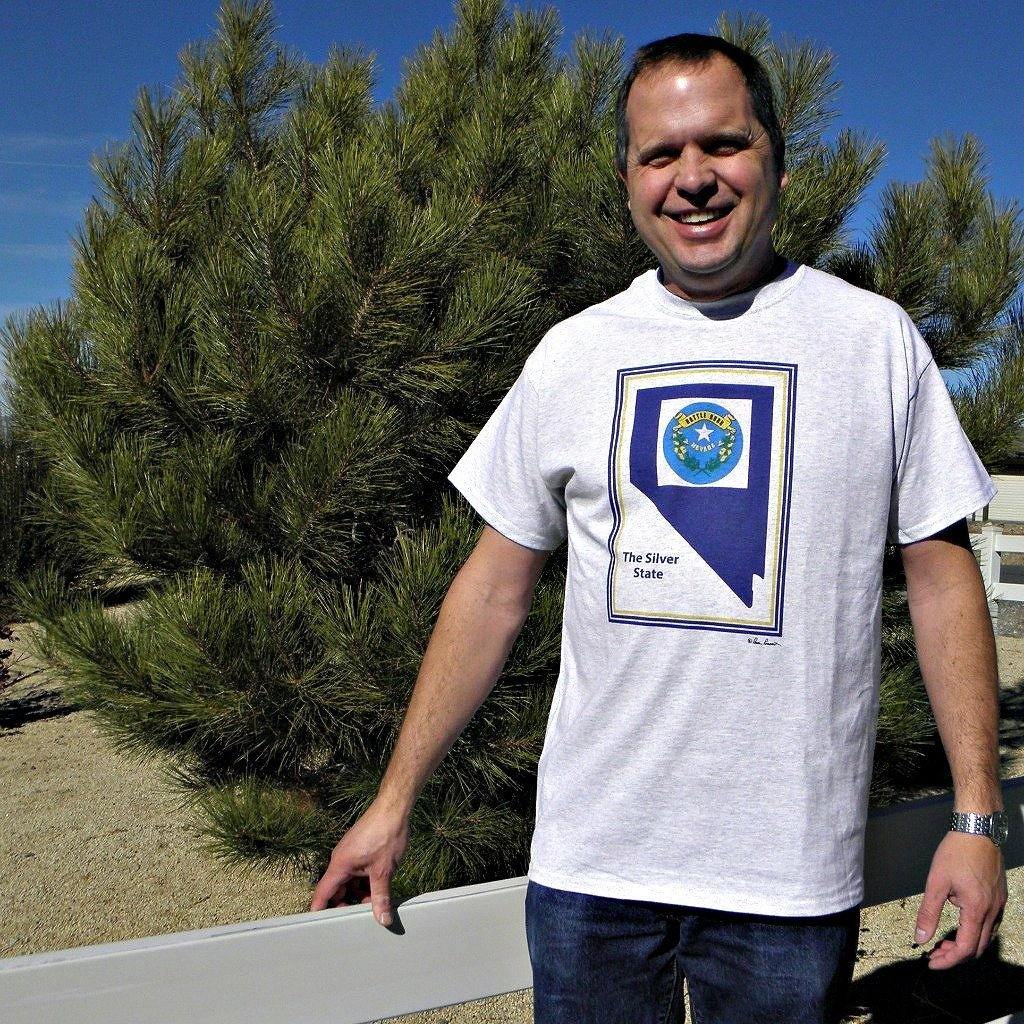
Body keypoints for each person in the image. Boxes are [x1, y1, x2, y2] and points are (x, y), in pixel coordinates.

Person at [310, 32, 1008, 1023]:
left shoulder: (872, 341)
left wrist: (975, 815)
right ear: (628, 177)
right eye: (659, 154)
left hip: (787, 882)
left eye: (720, 144)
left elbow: (941, 581)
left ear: (774, 153)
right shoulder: (573, 354)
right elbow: (493, 588)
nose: (692, 179)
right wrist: (394, 800)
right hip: (593, 873)